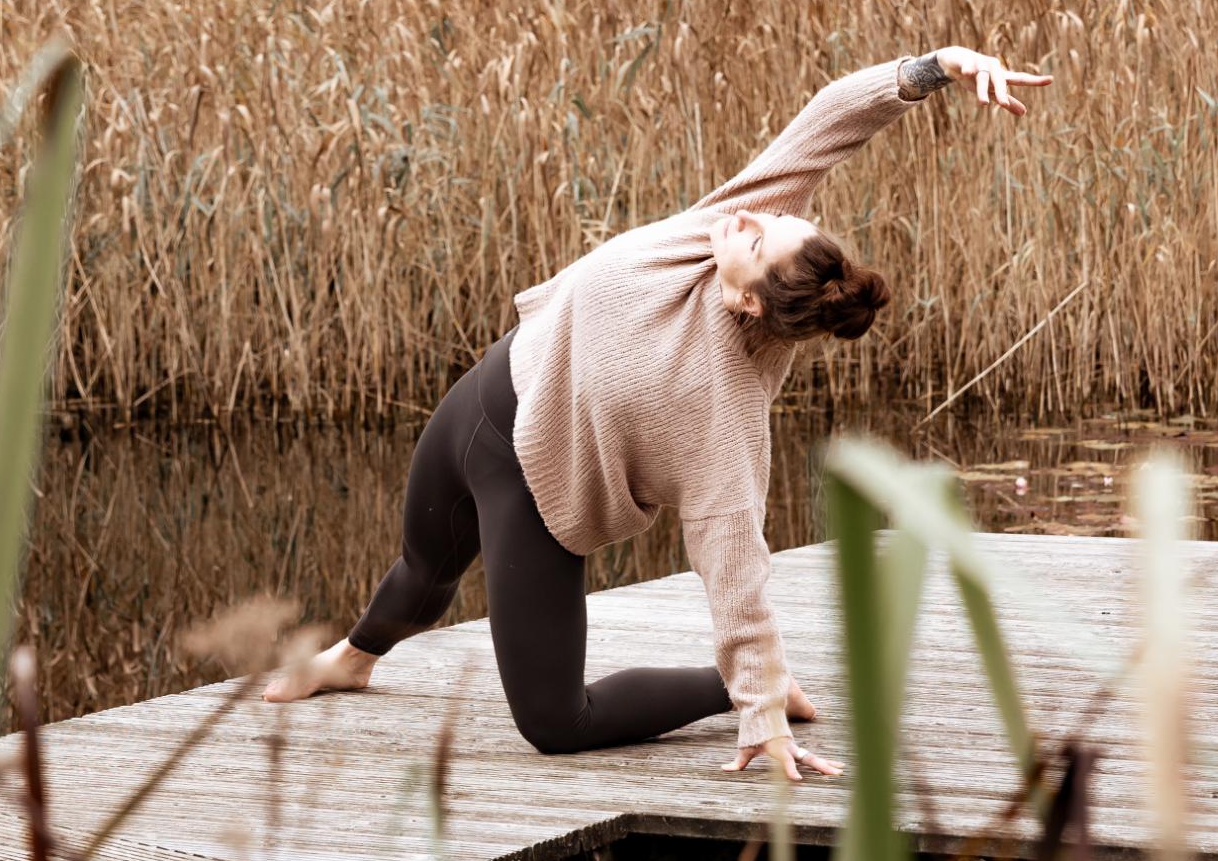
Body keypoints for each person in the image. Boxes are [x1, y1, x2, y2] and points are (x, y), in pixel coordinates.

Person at [264, 47, 1052, 781]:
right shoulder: (731, 223)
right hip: (483, 398)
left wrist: (759, 705)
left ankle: (731, 687)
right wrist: (936, 68)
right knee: (422, 570)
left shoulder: (724, 414)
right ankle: (355, 658)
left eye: (758, 240)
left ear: (749, 303)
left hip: (535, 491)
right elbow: (830, 120)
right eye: (771, 220)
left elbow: (735, 564)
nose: (748, 219)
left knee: (556, 725)